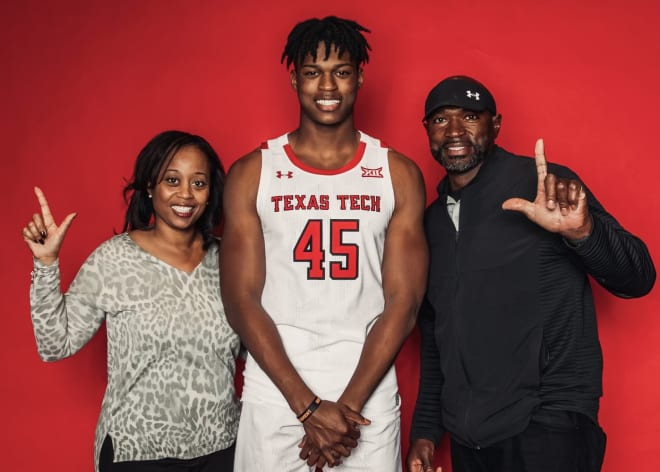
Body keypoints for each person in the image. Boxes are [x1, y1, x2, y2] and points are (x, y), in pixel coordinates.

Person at [406, 76, 656, 472]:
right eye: (440, 120)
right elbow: (438, 342)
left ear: (496, 125)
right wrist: (425, 433)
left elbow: (638, 277)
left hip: (548, 424)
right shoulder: (431, 224)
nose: (454, 131)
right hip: (469, 439)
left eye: (470, 116)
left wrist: (582, 231)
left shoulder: (542, 186)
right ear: (427, 131)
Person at [220, 16, 428, 472]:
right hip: (277, 386)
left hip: (366, 388)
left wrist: (344, 412)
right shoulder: (253, 172)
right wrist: (308, 408)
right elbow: (240, 300)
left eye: (341, 70)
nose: (327, 85)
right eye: (313, 72)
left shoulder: (397, 174)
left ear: (360, 77)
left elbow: (404, 302)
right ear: (294, 78)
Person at [22, 130, 240, 472]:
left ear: (211, 192)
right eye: (172, 180)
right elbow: (54, 345)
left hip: (222, 449)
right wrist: (46, 264)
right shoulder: (114, 260)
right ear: (150, 186)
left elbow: (255, 347)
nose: (186, 194)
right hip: (136, 452)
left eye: (198, 183)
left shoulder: (230, 259)